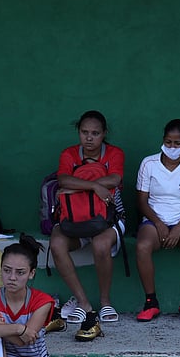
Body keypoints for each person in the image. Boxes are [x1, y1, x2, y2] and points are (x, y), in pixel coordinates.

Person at [50, 110, 127, 341]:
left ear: (104, 134)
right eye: (84, 132)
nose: (89, 138)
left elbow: (114, 179)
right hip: (75, 219)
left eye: (95, 133)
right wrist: (94, 186)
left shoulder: (114, 153)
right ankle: (83, 303)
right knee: (56, 243)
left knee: (101, 245)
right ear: (78, 132)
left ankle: (105, 303)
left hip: (108, 218)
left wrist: (77, 186)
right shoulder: (69, 154)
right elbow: (62, 180)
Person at [133, 119, 180, 324]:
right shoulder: (149, 163)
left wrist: (179, 228)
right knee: (142, 247)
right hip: (153, 219)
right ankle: (151, 302)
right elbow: (141, 201)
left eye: (177, 144)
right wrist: (158, 223)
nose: (172, 148)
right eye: (168, 142)